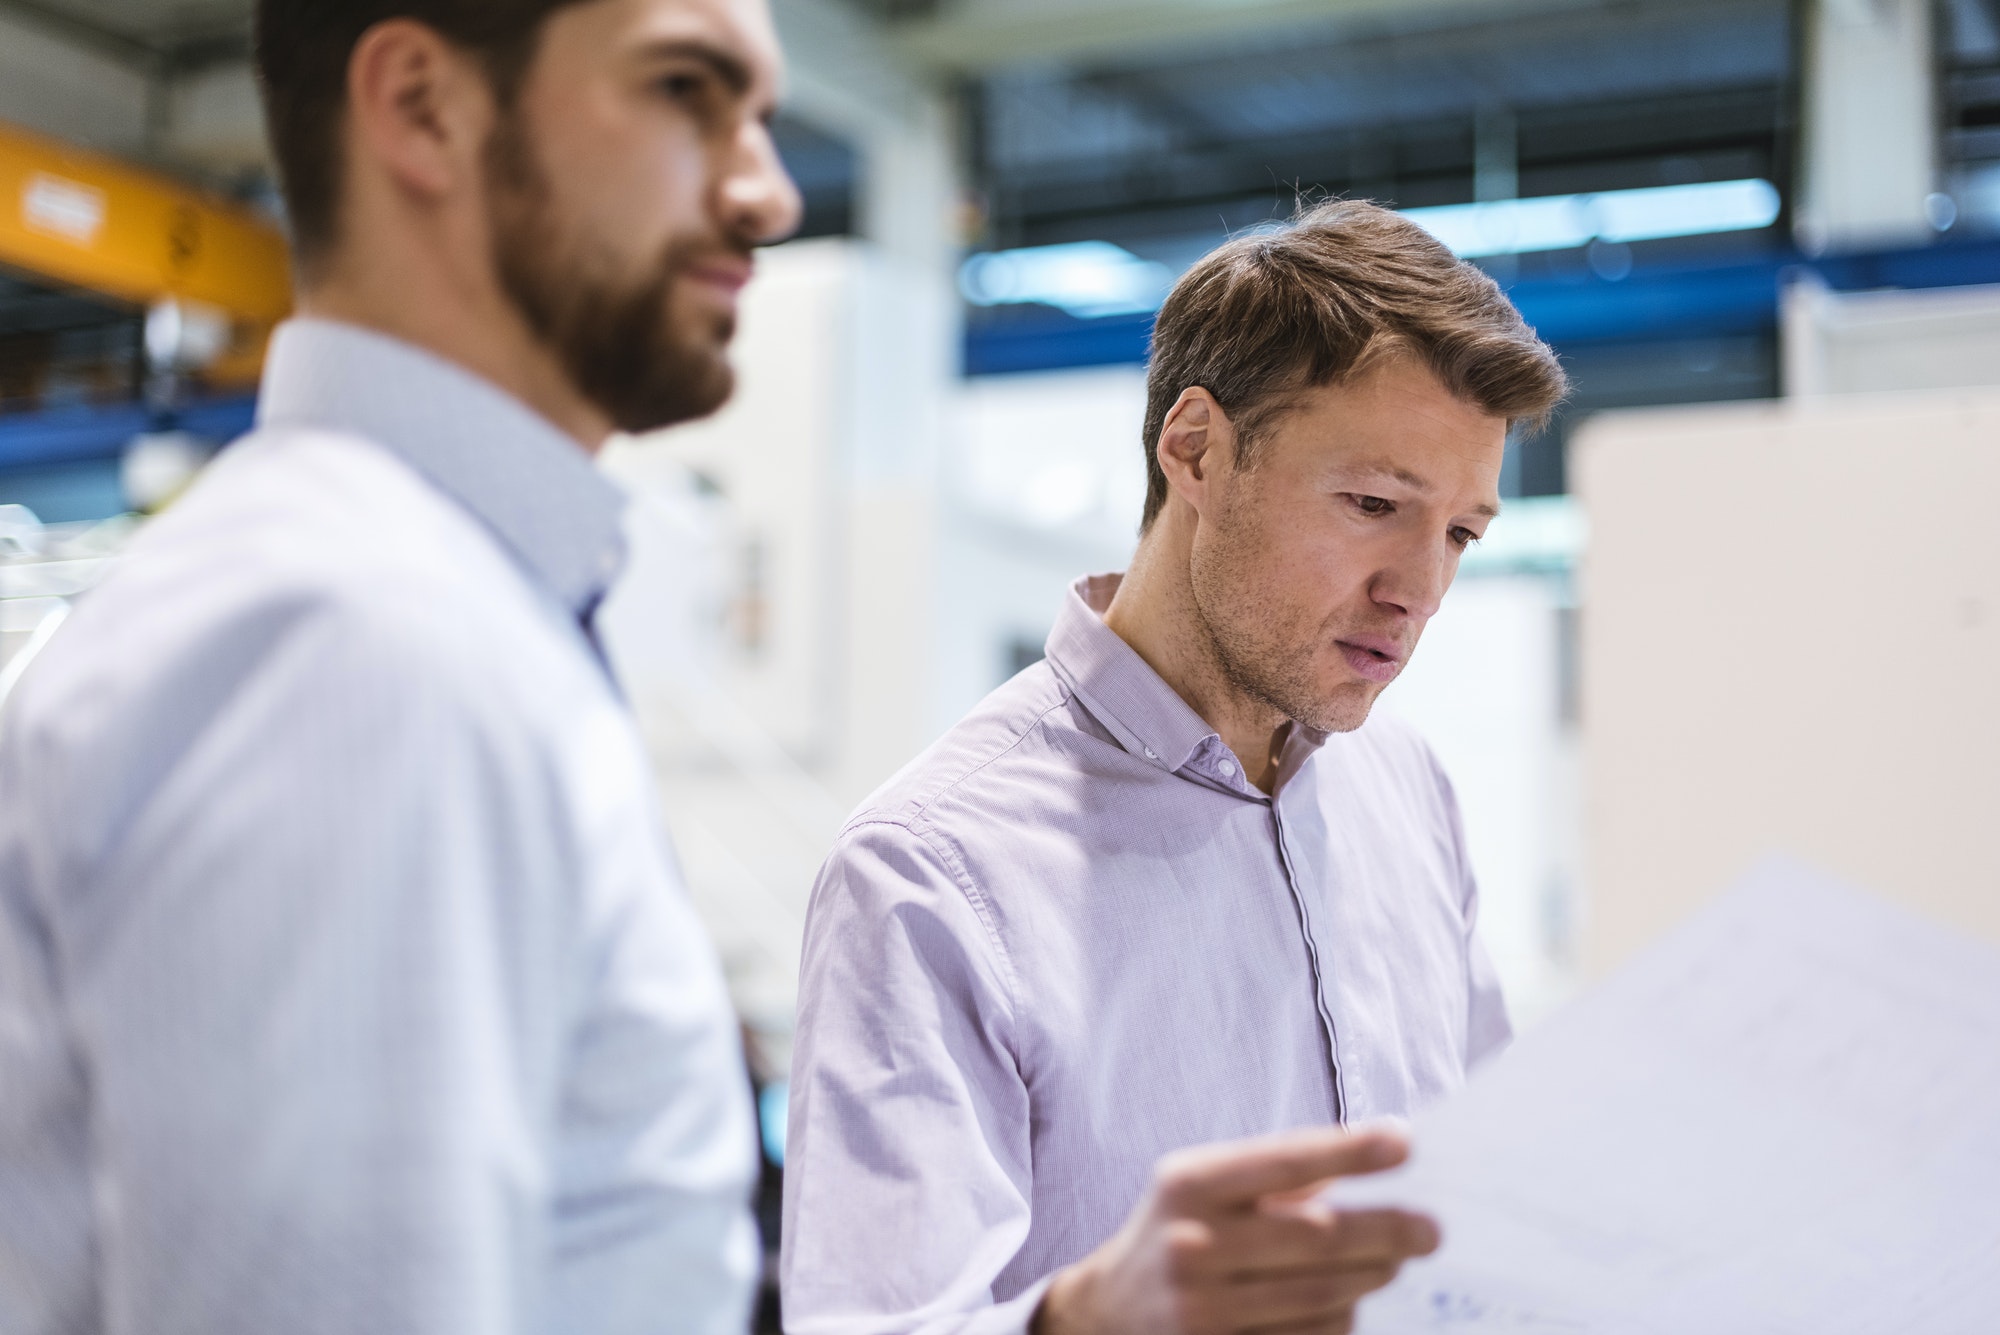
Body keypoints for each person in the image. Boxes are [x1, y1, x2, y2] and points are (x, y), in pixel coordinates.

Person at [0, 2, 800, 1332]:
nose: (765, 190)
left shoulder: (441, 604)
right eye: (683, 90)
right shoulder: (358, 642)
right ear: (423, 106)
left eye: (763, 116)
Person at [781, 199, 1569, 1335]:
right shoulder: (930, 873)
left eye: (1457, 534)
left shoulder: (1405, 791)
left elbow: (1486, 1192)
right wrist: (1084, 1320)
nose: (1418, 590)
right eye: (1371, 505)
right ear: (1195, 449)